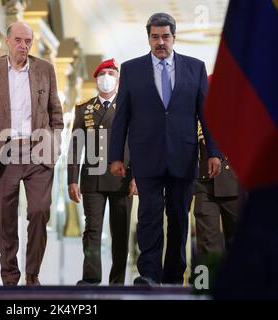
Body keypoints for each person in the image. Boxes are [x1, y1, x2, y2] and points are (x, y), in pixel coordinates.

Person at [109, 13, 222, 285]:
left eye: (165, 36)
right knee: (149, 216)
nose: (160, 42)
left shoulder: (195, 68)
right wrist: (115, 157)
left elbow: (207, 115)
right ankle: (148, 274)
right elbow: (122, 116)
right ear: (148, 37)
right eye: (155, 36)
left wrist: (214, 152)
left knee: (179, 219)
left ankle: (173, 276)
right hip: (146, 156)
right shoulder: (131, 69)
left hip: (183, 156)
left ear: (174, 37)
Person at [0, 21, 64, 286]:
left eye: (28, 41)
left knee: (40, 210)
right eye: (19, 40)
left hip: (37, 151)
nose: (24, 46)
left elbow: (57, 114)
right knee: (3, 216)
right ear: (7, 41)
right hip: (3, 151)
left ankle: (33, 274)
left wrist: (53, 144)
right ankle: (10, 276)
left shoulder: (45, 69)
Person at [68, 59, 133, 286]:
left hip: (122, 177)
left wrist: (137, 177)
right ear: (96, 79)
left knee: (120, 233)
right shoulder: (84, 108)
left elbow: (138, 143)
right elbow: (75, 145)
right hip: (92, 178)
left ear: (118, 79)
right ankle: (91, 277)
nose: (107, 77)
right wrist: (72, 180)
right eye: (103, 73)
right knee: (92, 230)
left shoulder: (129, 106)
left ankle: (117, 281)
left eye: (111, 73)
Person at [194, 120, 239, 259]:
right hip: (204, 181)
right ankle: (205, 281)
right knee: (206, 248)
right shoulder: (197, 99)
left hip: (235, 180)